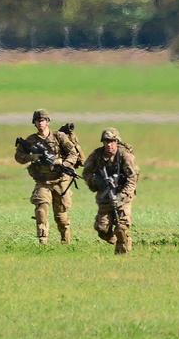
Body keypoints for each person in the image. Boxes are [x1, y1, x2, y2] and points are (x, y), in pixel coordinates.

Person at [13, 109, 80, 245]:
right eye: (38, 121)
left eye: (43, 121)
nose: (40, 123)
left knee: (60, 215)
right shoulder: (31, 140)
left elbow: (73, 153)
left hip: (60, 180)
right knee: (41, 209)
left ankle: (65, 239)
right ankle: (43, 241)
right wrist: (32, 157)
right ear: (35, 123)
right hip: (42, 181)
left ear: (47, 122)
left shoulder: (59, 137)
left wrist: (63, 163)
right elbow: (18, 156)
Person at [82, 127, 139, 255]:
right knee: (102, 229)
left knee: (121, 227)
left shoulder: (125, 156)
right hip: (105, 195)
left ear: (117, 142)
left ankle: (123, 253)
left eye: (112, 141)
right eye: (106, 142)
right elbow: (86, 172)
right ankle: (118, 240)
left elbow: (132, 179)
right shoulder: (97, 155)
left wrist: (121, 196)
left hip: (123, 197)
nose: (109, 145)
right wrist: (97, 181)